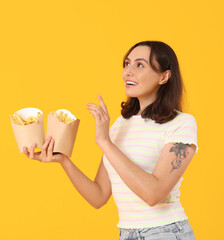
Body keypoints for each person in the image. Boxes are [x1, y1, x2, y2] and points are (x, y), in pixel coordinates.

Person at [23, 41, 198, 240]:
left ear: (164, 76)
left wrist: (105, 141)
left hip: (165, 232)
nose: (128, 72)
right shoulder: (119, 125)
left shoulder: (182, 124)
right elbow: (98, 196)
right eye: (127, 64)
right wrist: (64, 161)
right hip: (126, 234)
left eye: (140, 65)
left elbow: (153, 194)